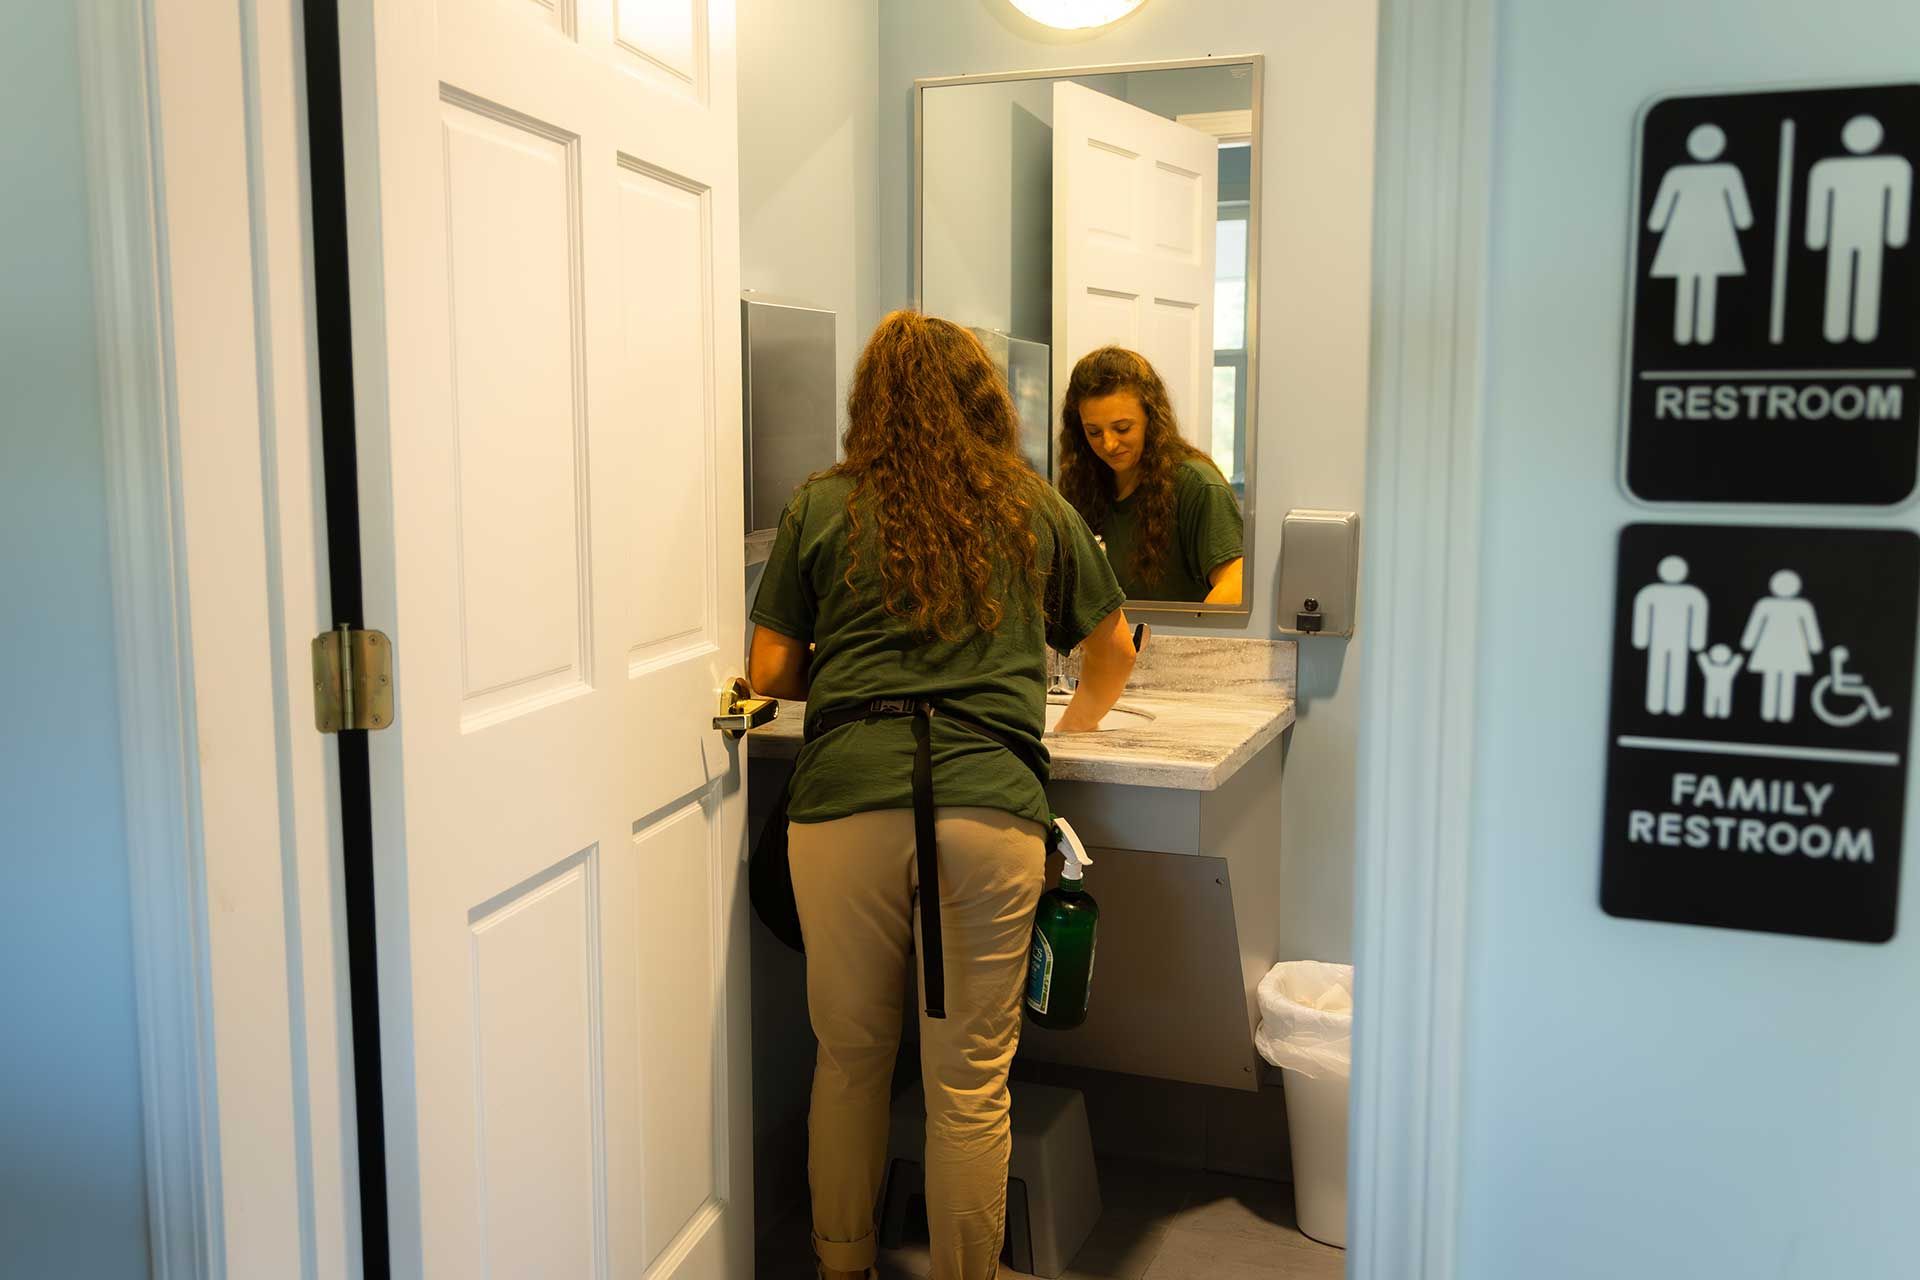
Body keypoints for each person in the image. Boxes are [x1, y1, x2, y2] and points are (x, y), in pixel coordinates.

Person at [747, 312, 1135, 1280]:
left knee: (849, 1060)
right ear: (984, 398)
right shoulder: (1028, 503)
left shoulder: (822, 506)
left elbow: (767, 668)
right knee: (968, 1080)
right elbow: (1114, 646)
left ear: (869, 399)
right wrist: (1066, 725)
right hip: (987, 806)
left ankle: (842, 1266)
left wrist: (851, 671)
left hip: (843, 807)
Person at [1055, 346, 1245, 605]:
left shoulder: (1197, 485)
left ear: (1151, 419)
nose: (1109, 444)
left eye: (1122, 428)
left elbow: (1235, 583)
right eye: (1094, 432)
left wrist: (1185, 645)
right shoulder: (1085, 482)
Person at [1646, 122, 1754, 346]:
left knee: (1691, 281)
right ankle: (1699, 335)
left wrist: (1658, 224)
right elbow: (1743, 217)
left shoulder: (1679, 175)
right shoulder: (1727, 173)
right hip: (1711, 237)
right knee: (1703, 283)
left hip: (1686, 237)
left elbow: (1657, 218)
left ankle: (1689, 335)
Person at [1741, 569, 1824, 723]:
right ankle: (1769, 713)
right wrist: (1748, 642)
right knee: (1773, 679)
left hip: (1789, 649)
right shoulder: (1765, 604)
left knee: (1786, 680)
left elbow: (1810, 627)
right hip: (1774, 648)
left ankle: (1783, 715)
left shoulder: (1802, 606)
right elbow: (1755, 625)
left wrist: (1814, 645)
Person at [1632, 555, 1709, 716]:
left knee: (1678, 670)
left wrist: (1697, 641)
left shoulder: (1692, 594)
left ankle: (1675, 706)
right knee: (1657, 668)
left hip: (1680, 639)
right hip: (1658, 638)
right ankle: (1654, 703)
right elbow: (1642, 614)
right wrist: (1641, 639)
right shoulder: (1650, 592)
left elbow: (1699, 616)